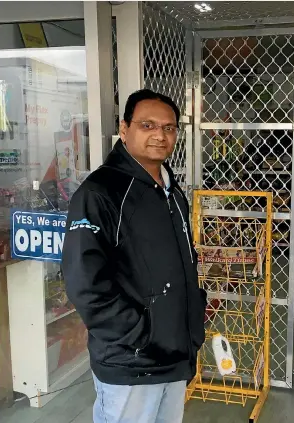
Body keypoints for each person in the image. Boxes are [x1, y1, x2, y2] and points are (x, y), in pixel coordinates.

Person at [62, 89, 206, 423]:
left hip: (173, 354)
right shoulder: (100, 193)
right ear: (124, 129)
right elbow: (86, 285)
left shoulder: (170, 189)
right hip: (132, 362)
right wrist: (139, 337)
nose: (160, 134)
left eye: (169, 128)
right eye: (147, 125)